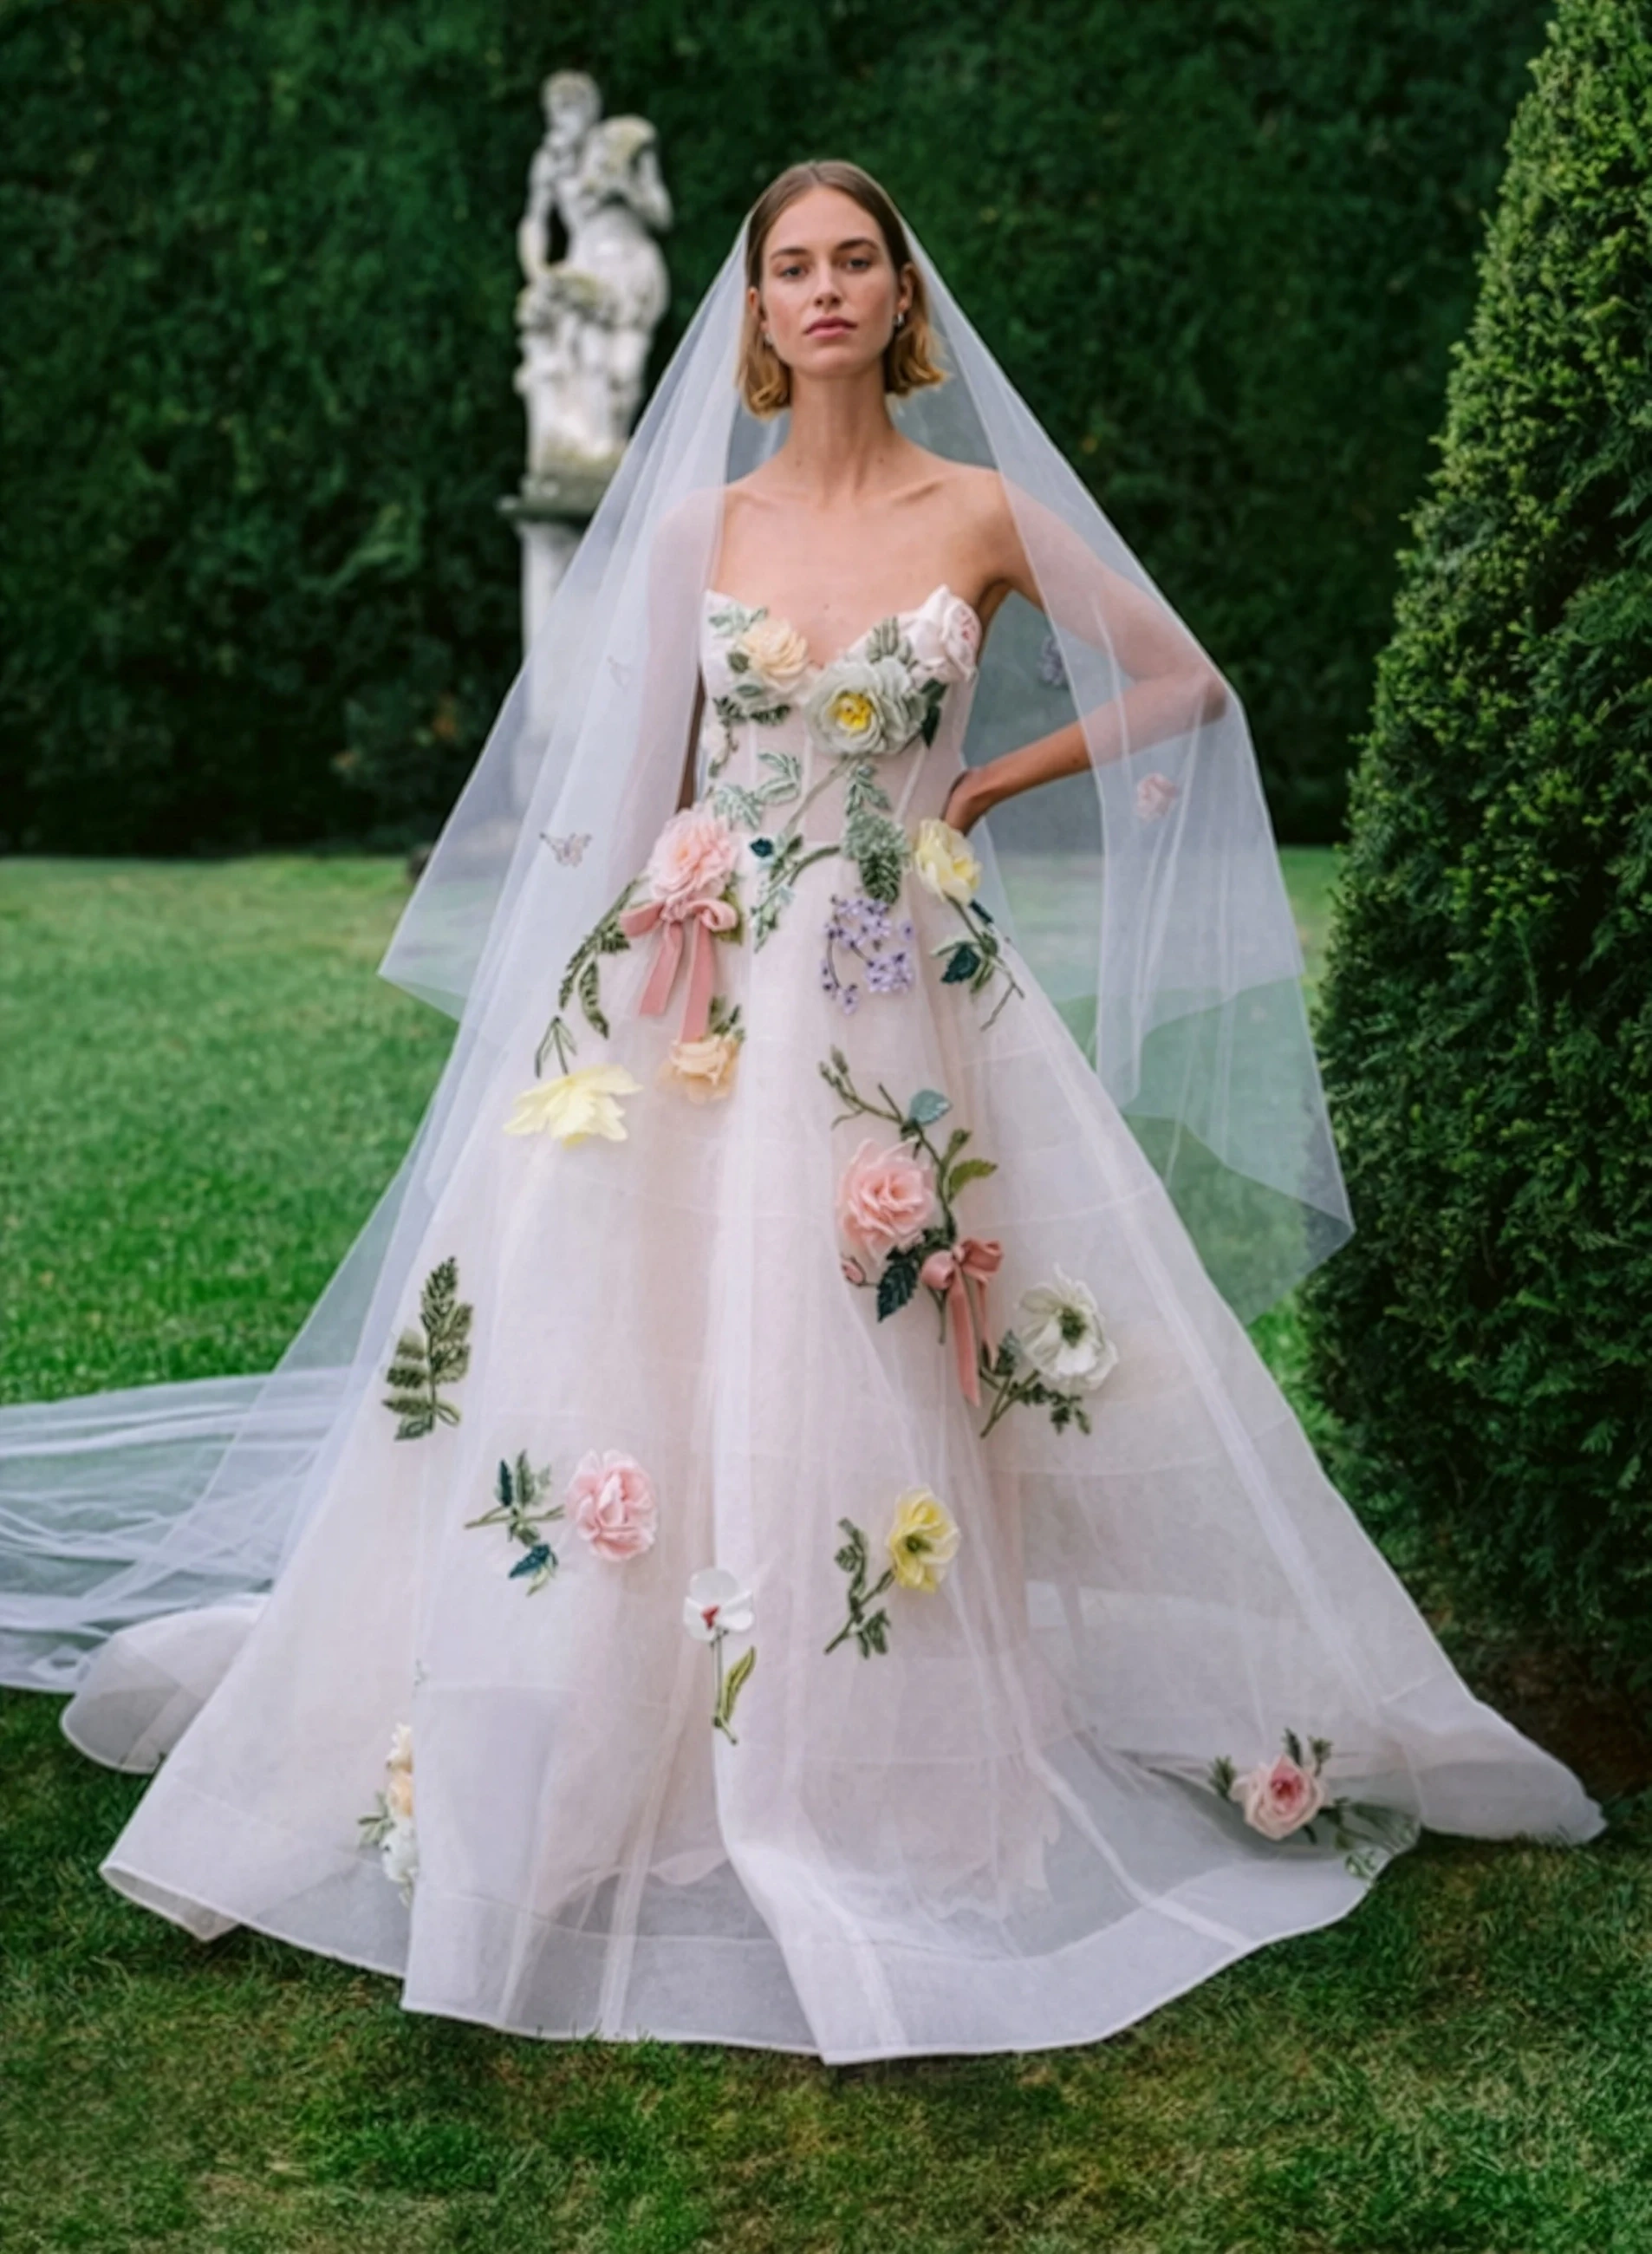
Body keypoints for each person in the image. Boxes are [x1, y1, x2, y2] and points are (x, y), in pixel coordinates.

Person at [0, 159, 1601, 2065]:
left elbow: (1181, 679)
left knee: (884, 1339)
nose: (825, 289)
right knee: (635, 1345)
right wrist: (605, 988)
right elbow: (641, 782)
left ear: (899, 299)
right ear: (755, 310)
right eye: (791, 266)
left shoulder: (979, 512)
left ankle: (872, 1738)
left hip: (897, 989)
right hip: (696, 985)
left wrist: (984, 786)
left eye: (855, 262)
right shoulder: (701, 524)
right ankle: (612, 1713)